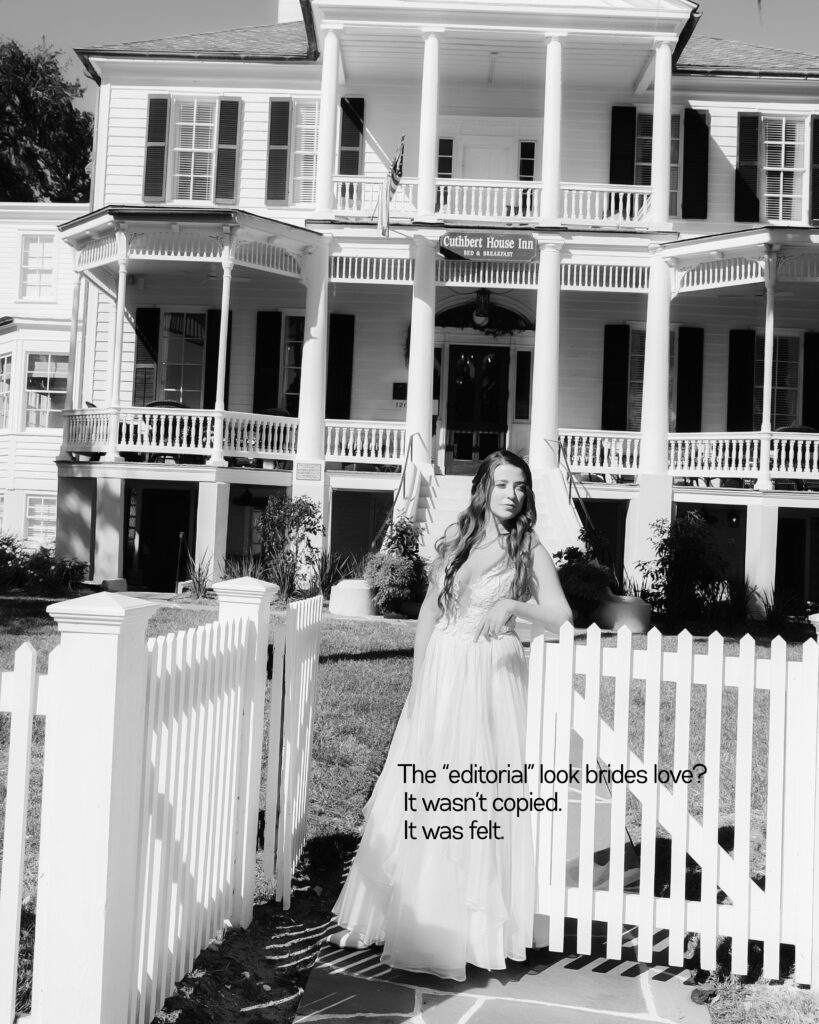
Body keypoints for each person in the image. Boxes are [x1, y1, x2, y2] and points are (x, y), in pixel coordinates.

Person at [329, 450, 573, 981]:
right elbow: (428, 615)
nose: (514, 494)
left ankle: (469, 928)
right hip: (442, 671)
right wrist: (419, 684)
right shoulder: (457, 541)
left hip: (488, 679)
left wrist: (516, 608)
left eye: (522, 486)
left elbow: (561, 615)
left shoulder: (528, 547)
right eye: (504, 484)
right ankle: (404, 916)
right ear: (484, 488)